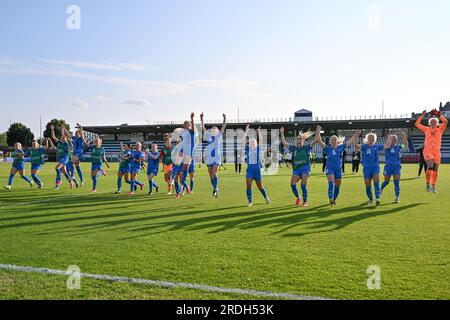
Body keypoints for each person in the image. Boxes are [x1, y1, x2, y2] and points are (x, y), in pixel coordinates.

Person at [312, 126, 360, 206]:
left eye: (335, 140)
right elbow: (319, 140)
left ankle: (333, 199)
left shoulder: (341, 147)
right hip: (330, 169)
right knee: (331, 183)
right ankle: (330, 198)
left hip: (338, 170)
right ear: (330, 141)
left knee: (338, 186)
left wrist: (356, 134)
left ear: (337, 141)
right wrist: (318, 131)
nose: (333, 141)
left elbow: (350, 142)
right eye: (332, 140)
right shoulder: (327, 148)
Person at [280, 126, 314, 207]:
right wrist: (282, 133)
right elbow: (284, 143)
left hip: (305, 168)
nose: (299, 141)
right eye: (297, 139)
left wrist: (318, 132)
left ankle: (305, 202)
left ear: (303, 141)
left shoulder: (307, 148)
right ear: (296, 141)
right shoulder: (293, 148)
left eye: (300, 140)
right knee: (292, 184)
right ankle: (298, 197)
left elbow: (315, 141)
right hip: (296, 169)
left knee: (303, 184)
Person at [415, 109, 448, 193]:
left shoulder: (440, 129)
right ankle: (427, 184)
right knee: (430, 166)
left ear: (437, 123)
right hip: (427, 150)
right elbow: (417, 124)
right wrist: (422, 115)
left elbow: (445, 122)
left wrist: (439, 115)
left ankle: (433, 186)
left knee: (435, 170)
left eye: (435, 122)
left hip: (437, 151)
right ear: (430, 123)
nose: (433, 123)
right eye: (432, 122)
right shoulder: (426, 129)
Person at [242, 125, 270, 207]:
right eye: (251, 142)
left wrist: (259, 132)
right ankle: (250, 201)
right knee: (248, 185)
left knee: (260, 186)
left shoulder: (258, 148)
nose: (253, 143)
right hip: (249, 171)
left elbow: (261, 140)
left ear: (256, 144)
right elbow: (243, 141)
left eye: (254, 142)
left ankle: (265, 197)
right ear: (250, 144)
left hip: (257, 170)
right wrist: (246, 131)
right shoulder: (247, 148)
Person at [201, 112, 226, 197]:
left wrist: (224, 119)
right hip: (209, 158)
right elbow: (203, 128)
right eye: (213, 129)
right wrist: (201, 119)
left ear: (217, 131)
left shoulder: (219, 136)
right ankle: (215, 188)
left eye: (215, 129)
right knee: (211, 176)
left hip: (216, 157)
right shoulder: (208, 136)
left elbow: (223, 127)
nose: (214, 130)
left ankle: (215, 189)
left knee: (214, 174)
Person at [380, 132, 409, 203]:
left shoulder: (398, 147)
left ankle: (397, 197)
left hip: (397, 167)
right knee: (386, 182)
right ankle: (380, 189)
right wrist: (389, 137)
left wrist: (404, 137)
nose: (393, 140)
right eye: (392, 139)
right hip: (388, 167)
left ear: (397, 140)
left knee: (397, 183)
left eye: (395, 139)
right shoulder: (387, 147)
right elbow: (386, 146)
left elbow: (406, 145)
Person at [173, 113, 196, 195]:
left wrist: (192, 118)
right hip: (184, 153)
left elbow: (193, 127)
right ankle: (183, 186)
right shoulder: (183, 134)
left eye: (188, 124)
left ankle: (187, 187)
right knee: (182, 172)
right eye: (185, 125)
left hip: (190, 154)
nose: (186, 126)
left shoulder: (191, 132)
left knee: (189, 174)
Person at [361, 132, 384, 205]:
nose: (371, 139)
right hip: (366, 168)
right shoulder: (364, 146)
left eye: (372, 138)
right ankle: (370, 199)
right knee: (368, 185)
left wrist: (389, 137)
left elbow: (387, 145)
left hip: (375, 167)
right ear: (367, 139)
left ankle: (377, 198)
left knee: (376, 183)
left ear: (374, 139)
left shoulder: (377, 146)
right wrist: (356, 135)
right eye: (369, 138)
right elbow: (356, 146)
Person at [50, 125, 74, 190]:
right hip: (61, 159)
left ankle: (59, 181)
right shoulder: (59, 142)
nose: (61, 137)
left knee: (57, 168)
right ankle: (70, 181)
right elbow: (53, 137)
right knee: (64, 171)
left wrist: (63, 130)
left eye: (63, 137)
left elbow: (63, 136)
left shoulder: (66, 144)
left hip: (65, 159)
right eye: (61, 137)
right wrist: (52, 129)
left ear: (65, 139)